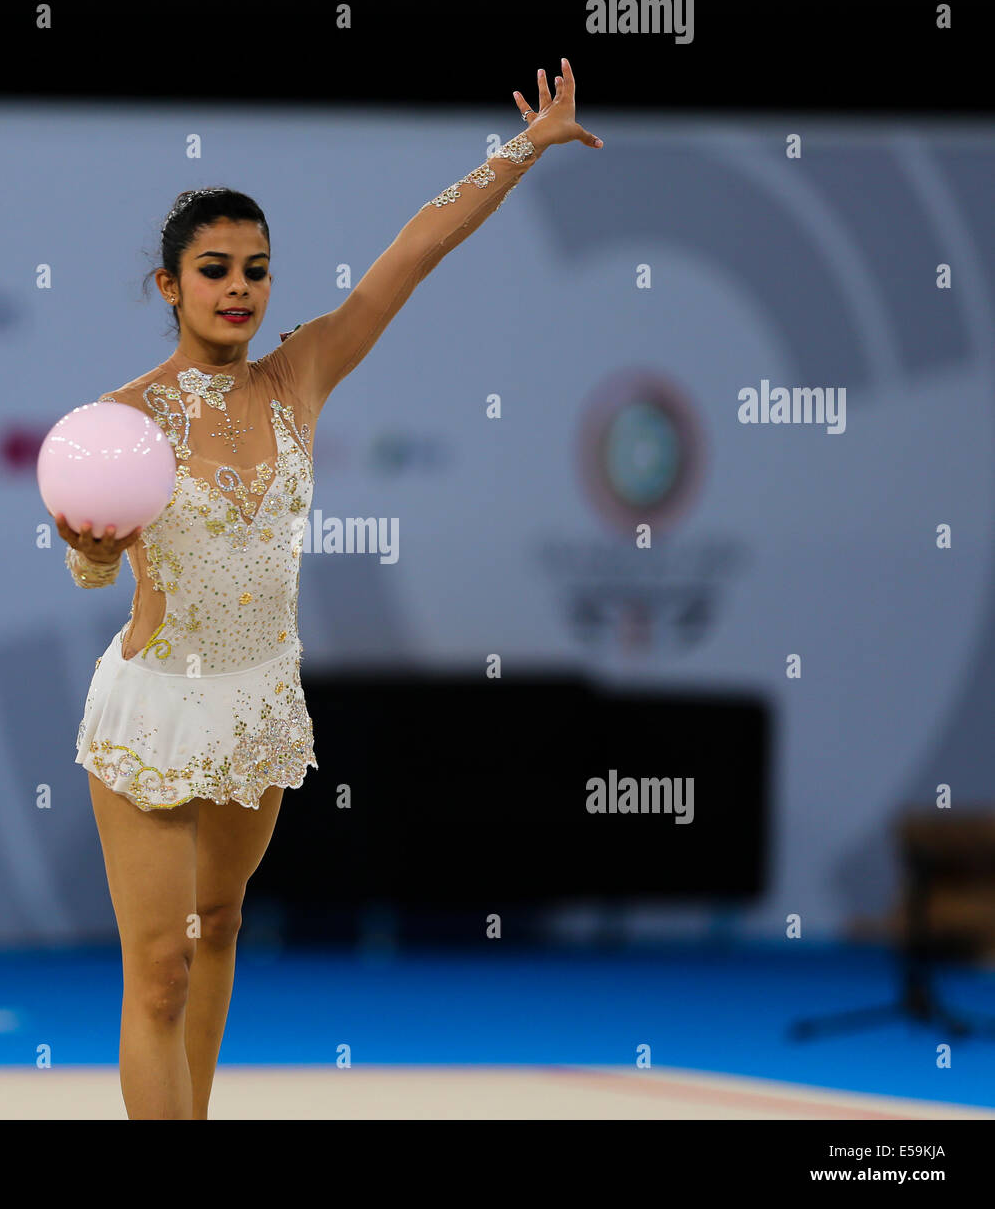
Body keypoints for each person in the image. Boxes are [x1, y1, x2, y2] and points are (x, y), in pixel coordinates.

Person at [56, 59, 601, 1119]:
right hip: (157, 705)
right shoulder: (121, 421)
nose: (239, 290)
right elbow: (89, 563)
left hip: (258, 701)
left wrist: (521, 151)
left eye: (256, 269)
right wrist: (81, 541)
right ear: (168, 286)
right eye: (213, 270)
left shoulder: (300, 372)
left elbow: (413, 253)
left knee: (220, 933)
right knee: (158, 970)